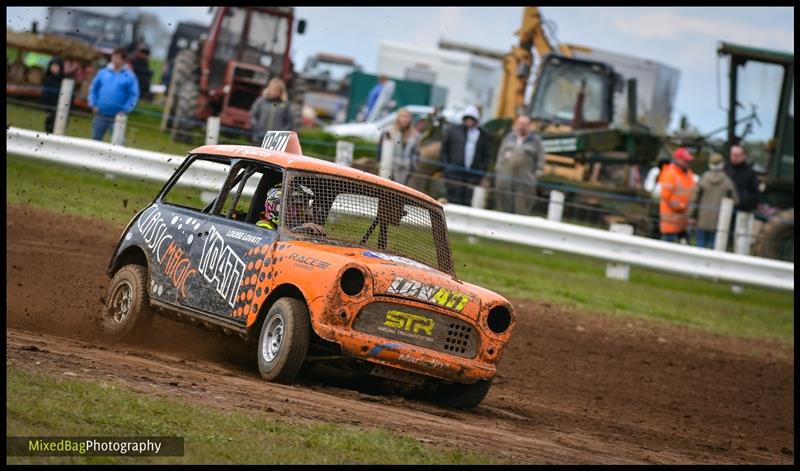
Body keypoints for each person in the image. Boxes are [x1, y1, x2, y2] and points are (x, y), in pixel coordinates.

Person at [440, 105, 492, 206]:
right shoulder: (453, 131)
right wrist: (446, 167)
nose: (469, 121)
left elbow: (486, 155)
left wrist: (480, 172)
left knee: (467, 201)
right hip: (454, 174)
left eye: (472, 118)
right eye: (467, 118)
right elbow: (444, 149)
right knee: (451, 199)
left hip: (472, 176)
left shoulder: (483, 135)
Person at [493, 114, 545, 215]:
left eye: (524, 124)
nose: (521, 126)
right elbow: (501, 154)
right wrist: (498, 169)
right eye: (519, 124)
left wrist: (537, 174)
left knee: (521, 209)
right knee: (504, 207)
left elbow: (541, 159)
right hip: (505, 178)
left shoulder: (536, 141)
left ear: (529, 126)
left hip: (525, 181)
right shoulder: (509, 137)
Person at [88, 47, 140, 142]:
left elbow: (133, 95)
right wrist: (93, 104)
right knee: (95, 141)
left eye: (117, 57)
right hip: (100, 113)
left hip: (118, 116)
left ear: (123, 60)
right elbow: (93, 88)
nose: (114, 59)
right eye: (113, 57)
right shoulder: (103, 72)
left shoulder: (130, 76)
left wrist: (126, 110)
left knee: (118, 142)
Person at [689, 153, 739, 249]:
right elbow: (736, 200)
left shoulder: (703, 179)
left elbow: (694, 199)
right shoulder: (727, 181)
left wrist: (692, 216)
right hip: (720, 221)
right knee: (714, 247)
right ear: (722, 164)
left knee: (700, 245)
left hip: (702, 219)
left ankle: (697, 263)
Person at [658, 147, 696, 243]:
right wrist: (681, 206)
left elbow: (692, 192)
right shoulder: (669, 173)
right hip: (671, 221)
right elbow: (666, 196)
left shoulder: (689, 173)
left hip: (683, 221)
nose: (688, 162)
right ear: (678, 159)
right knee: (668, 248)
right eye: (685, 160)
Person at [256, 184, 325, 236]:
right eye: (291, 206)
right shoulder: (263, 226)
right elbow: (275, 239)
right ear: (274, 206)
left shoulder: (294, 226)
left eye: (300, 206)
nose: (297, 211)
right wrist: (299, 229)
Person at [377, 107, 421, 186]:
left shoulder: (415, 135)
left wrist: (413, 167)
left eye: (407, 117)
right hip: (391, 168)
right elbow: (380, 150)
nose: (404, 119)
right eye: (403, 116)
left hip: (407, 170)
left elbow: (416, 153)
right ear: (398, 118)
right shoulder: (389, 132)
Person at [250, 78, 293, 145]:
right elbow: (253, 116)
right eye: (272, 89)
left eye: (276, 90)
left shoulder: (285, 105)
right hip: (259, 138)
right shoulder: (260, 101)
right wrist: (257, 129)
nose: (273, 92)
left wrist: (280, 135)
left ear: (281, 92)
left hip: (276, 142)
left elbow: (289, 123)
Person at [724, 145, 760, 213]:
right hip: (724, 208)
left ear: (744, 156)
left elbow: (755, 193)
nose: (734, 157)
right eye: (732, 154)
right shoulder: (725, 169)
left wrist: (745, 203)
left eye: (737, 155)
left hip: (741, 210)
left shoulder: (750, 172)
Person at [41, 56, 65, 134]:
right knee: (48, 128)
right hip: (49, 107)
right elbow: (45, 94)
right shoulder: (47, 79)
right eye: (52, 66)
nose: (54, 68)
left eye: (56, 66)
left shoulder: (63, 80)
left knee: (58, 130)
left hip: (60, 108)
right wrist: (46, 108)